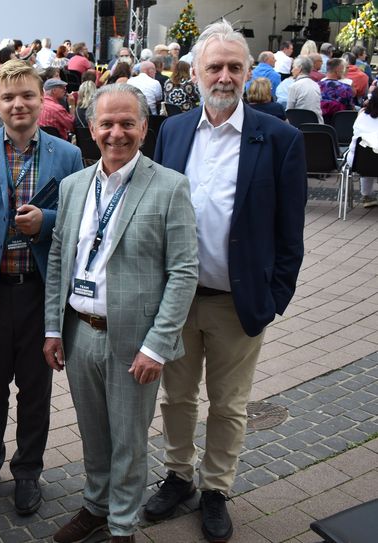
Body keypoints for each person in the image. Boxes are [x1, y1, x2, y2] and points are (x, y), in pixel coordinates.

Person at [145, 21, 306, 543]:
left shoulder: (279, 137)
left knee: (230, 404)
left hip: (239, 302)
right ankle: (178, 476)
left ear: (248, 71)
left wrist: (274, 295)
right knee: (176, 399)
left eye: (235, 66)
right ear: (194, 73)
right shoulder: (172, 130)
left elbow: (291, 232)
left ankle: (216, 489)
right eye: (214, 66)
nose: (224, 75)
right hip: (178, 299)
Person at [45, 84, 198, 543]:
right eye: (106, 124)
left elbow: (184, 271)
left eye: (127, 123)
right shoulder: (74, 186)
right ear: (90, 129)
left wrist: (158, 345)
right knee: (94, 435)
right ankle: (96, 505)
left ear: (144, 127)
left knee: (129, 442)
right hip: (79, 331)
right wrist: (53, 328)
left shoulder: (170, 186)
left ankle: (123, 525)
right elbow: (58, 257)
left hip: (135, 341)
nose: (117, 133)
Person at [0, 60, 83, 515]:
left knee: (35, 390)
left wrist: (45, 222)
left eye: (27, 95)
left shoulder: (65, 154)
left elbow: (80, 222)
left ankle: (28, 472)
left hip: (40, 292)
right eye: (8, 97)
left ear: (40, 98)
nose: (18, 104)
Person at [348, 90, 378, 207]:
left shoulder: (362, 116)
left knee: (366, 153)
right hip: (365, 158)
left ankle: (366, 196)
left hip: (359, 161)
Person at [287, 56, 323, 123]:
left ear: (299, 68)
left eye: (293, 67)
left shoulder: (294, 86)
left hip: (300, 126)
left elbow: (289, 112)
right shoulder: (316, 85)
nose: (291, 70)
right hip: (318, 125)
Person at [319, 58, 355, 122]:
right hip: (339, 124)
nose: (343, 71)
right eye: (342, 69)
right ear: (337, 70)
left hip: (319, 122)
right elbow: (351, 109)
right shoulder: (345, 88)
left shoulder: (317, 86)